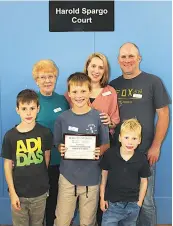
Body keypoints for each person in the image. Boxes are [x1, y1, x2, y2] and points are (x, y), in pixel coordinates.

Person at [109, 42, 170, 226]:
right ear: (118, 60)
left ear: (139, 58)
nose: (127, 60)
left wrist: (156, 145)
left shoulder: (153, 82)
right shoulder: (113, 85)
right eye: (123, 57)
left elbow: (164, 115)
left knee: (146, 202)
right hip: (118, 155)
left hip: (144, 154)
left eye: (131, 56)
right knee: (119, 201)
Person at [54, 72, 110, 226]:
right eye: (75, 92)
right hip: (67, 176)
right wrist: (60, 147)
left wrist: (100, 150)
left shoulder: (100, 117)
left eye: (83, 91)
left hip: (91, 178)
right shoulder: (62, 118)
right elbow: (57, 142)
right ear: (69, 94)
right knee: (62, 220)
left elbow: (106, 143)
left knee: (87, 221)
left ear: (90, 91)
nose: (79, 96)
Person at [1, 89, 53, 226]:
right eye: (24, 108)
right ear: (17, 110)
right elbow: (7, 164)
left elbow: (46, 158)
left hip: (40, 193)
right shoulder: (10, 136)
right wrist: (12, 192)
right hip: (19, 193)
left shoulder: (45, 133)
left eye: (32, 108)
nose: (28, 113)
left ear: (38, 109)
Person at [32, 59, 69, 226]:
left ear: (56, 77)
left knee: (55, 201)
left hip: (60, 161)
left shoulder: (62, 100)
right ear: (36, 80)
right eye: (42, 77)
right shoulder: (32, 101)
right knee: (39, 203)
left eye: (51, 76)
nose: (47, 80)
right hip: (38, 162)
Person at [100, 118, 151, 226]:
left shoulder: (141, 159)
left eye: (134, 138)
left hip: (132, 205)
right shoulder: (110, 155)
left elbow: (144, 181)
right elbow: (104, 177)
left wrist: (139, 203)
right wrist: (102, 197)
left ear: (139, 140)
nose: (130, 142)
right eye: (126, 137)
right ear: (120, 138)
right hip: (112, 205)